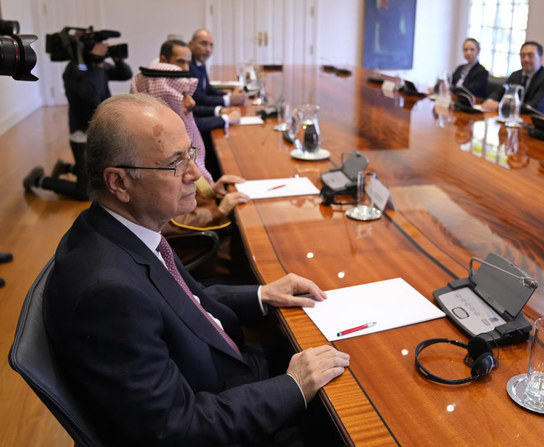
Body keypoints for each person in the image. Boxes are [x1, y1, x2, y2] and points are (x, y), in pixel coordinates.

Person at [43, 93, 350, 446]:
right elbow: (177, 428)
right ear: (119, 183)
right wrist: (293, 387)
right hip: (225, 414)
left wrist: (262, 294)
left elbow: (188, 300)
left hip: (227, 376)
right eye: (176, 163)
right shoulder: (106, 293)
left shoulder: (124, 229)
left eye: (190, 153)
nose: (193, 173)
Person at [131, 39, 251, 278]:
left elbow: (185, 183)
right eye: (182, 95)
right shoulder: (149, 153)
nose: (191, 102)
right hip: (198, 249)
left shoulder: (167, 136)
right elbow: (168, 222)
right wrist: (219, 210)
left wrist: (211, 190)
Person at [23, 38, 132, 200]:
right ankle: (39, 180)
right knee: (85, 192)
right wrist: (97, 64)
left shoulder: (97, 67)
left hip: (99, 128)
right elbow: (91, 96)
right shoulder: (75, 70)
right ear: (87, 50)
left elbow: (125, 74)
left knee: (101, 174)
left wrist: (117, 59)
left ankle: (67, 167)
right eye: (99, 46)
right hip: (82, 134)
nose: (104, 49)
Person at [189, 28, 246, 179]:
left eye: (211, 45)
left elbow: (207, 89)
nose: (208, 49)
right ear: (191, 44)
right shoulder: (188, 67)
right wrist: (227, 103)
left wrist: (229, 96)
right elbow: (198, 99)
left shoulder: (199, 63)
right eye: (203, 44)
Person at [481, 41, 544, 120]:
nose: (526, 59)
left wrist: (501, 106)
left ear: (541, 59)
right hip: (517, 118)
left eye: (530, 56)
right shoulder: (515, 75)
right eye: (522, 56)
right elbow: (499, 92)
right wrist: (490, 101)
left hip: (541, 121)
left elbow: (533, 107)